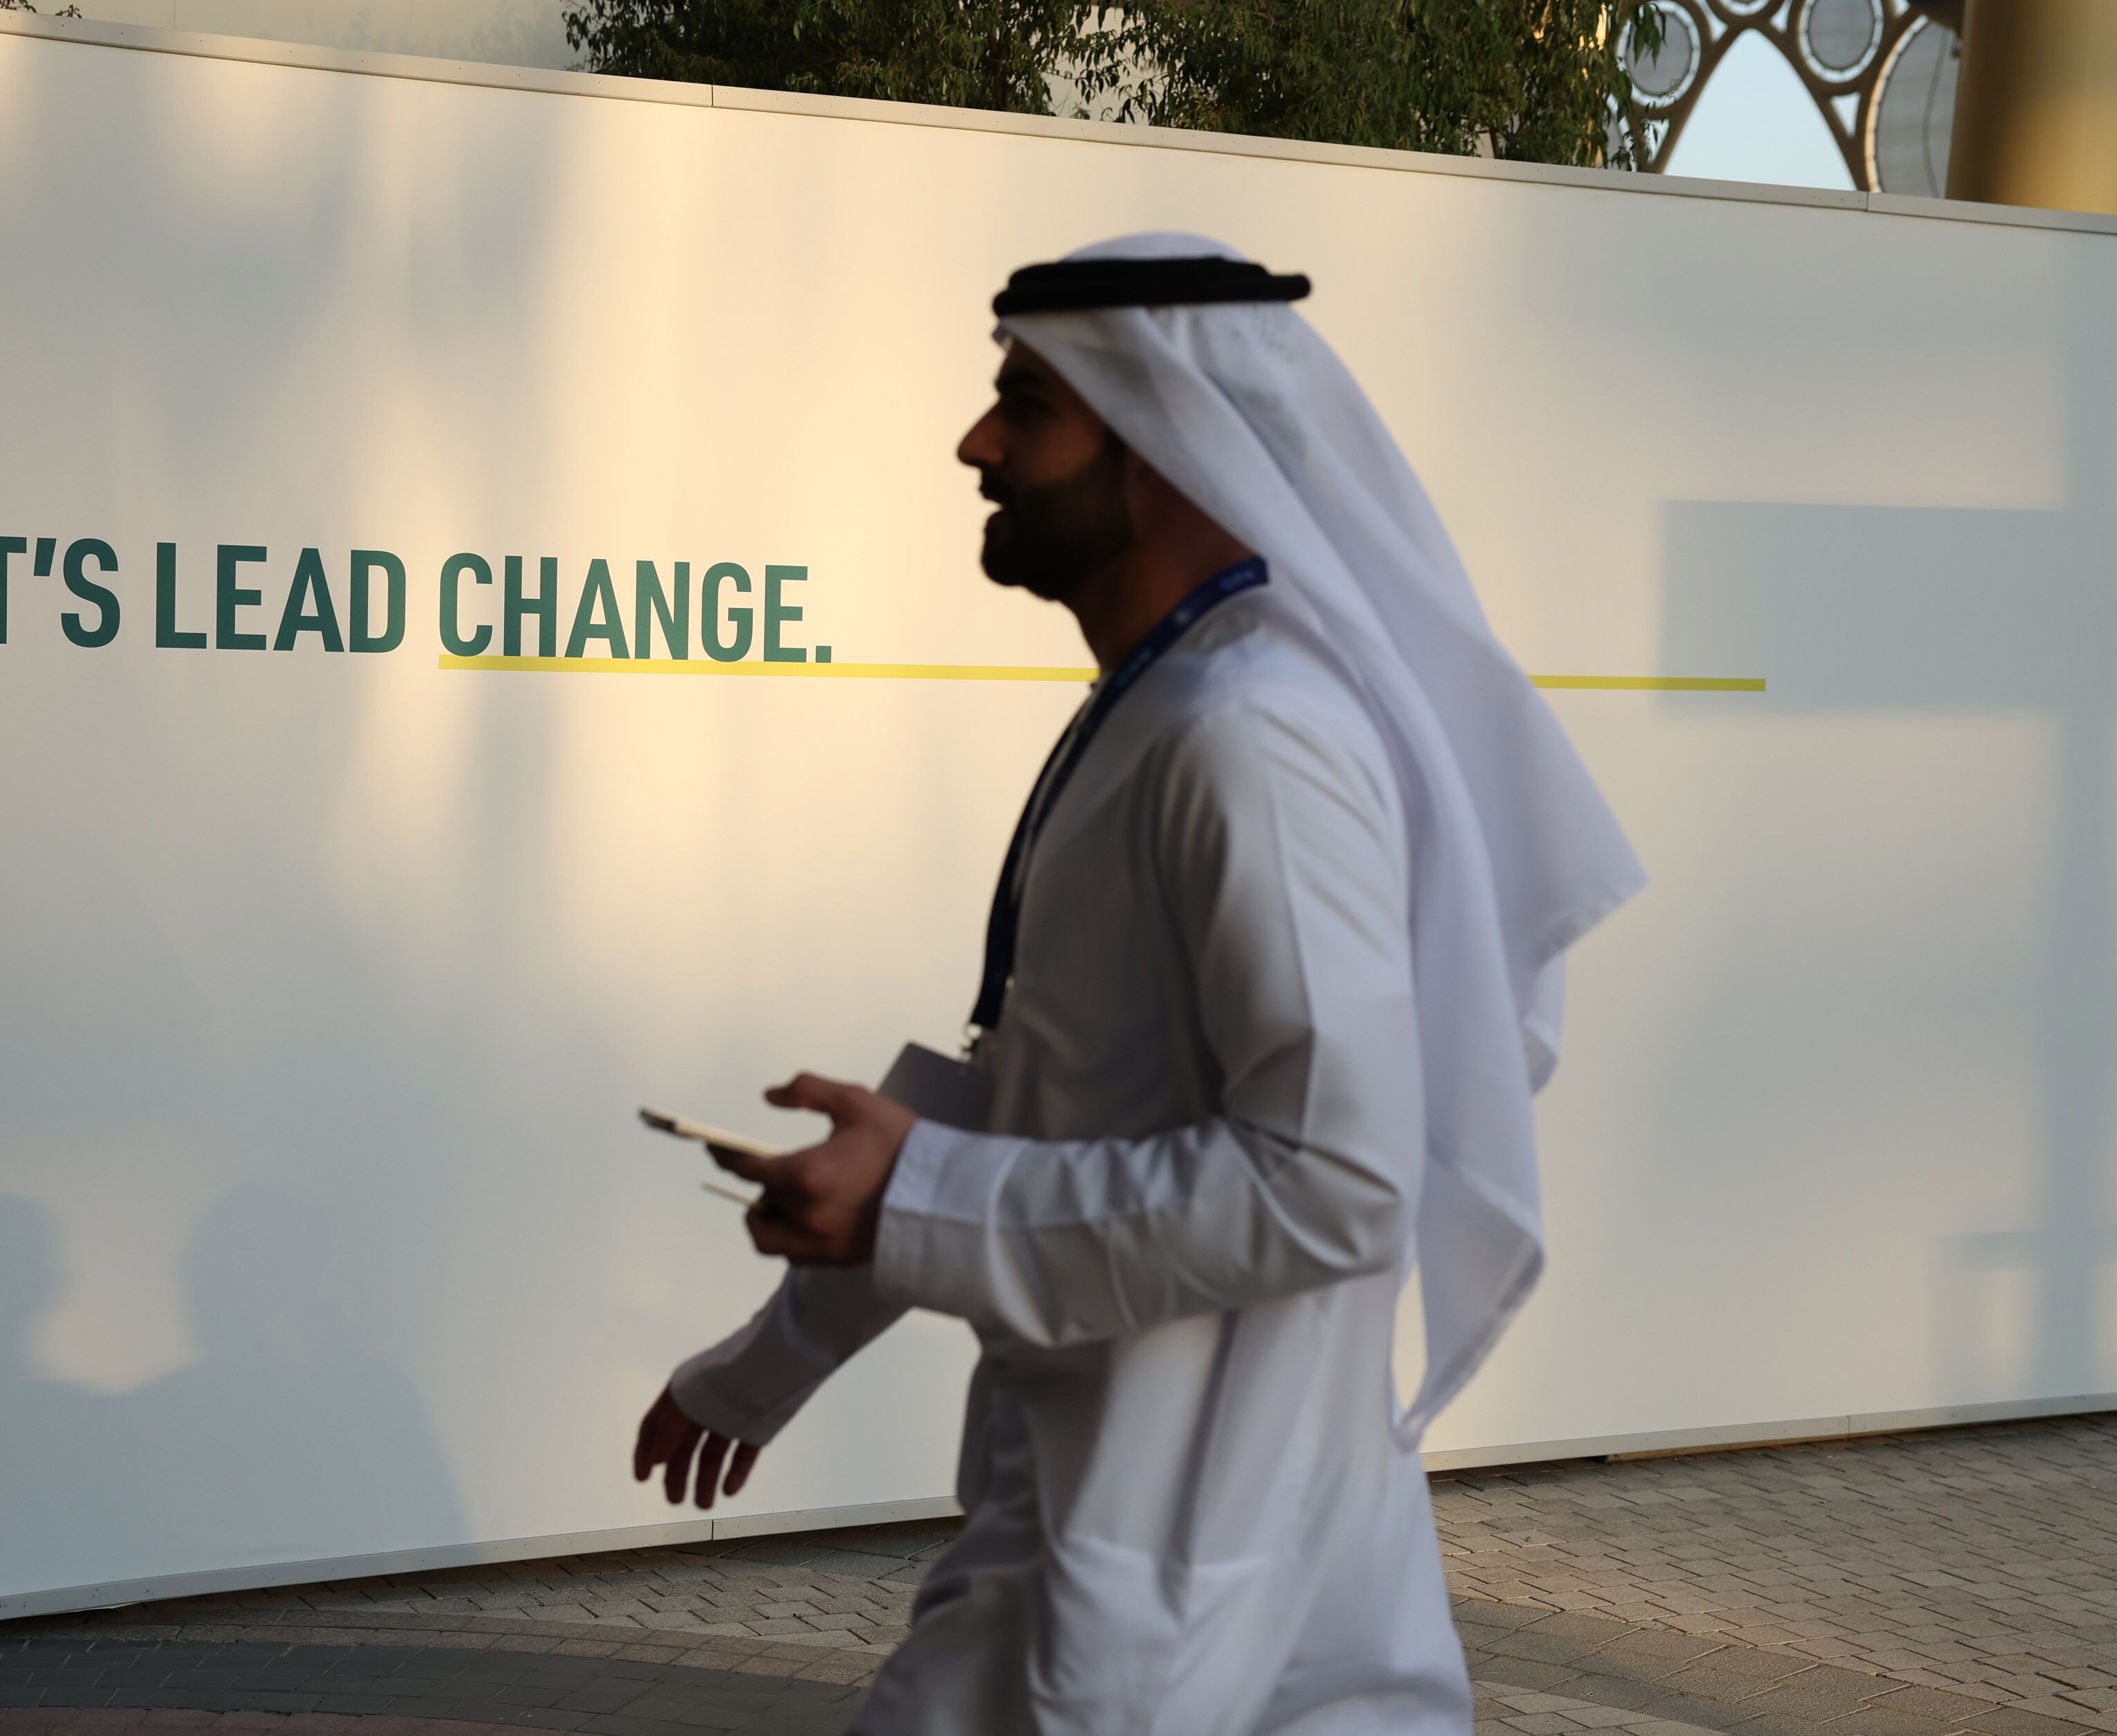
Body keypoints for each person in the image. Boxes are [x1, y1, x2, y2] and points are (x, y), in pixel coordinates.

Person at [630, 234, 1643, 1735]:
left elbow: (1337, 1182)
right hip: (1146, 1551)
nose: (976, 444)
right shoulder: (1167, 706)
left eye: (1027, 404)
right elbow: (1043, 1099)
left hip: (1167, 1577)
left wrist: (919, 1197)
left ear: (1163, 444)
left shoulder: (1249, 740)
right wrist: (778, 1350)